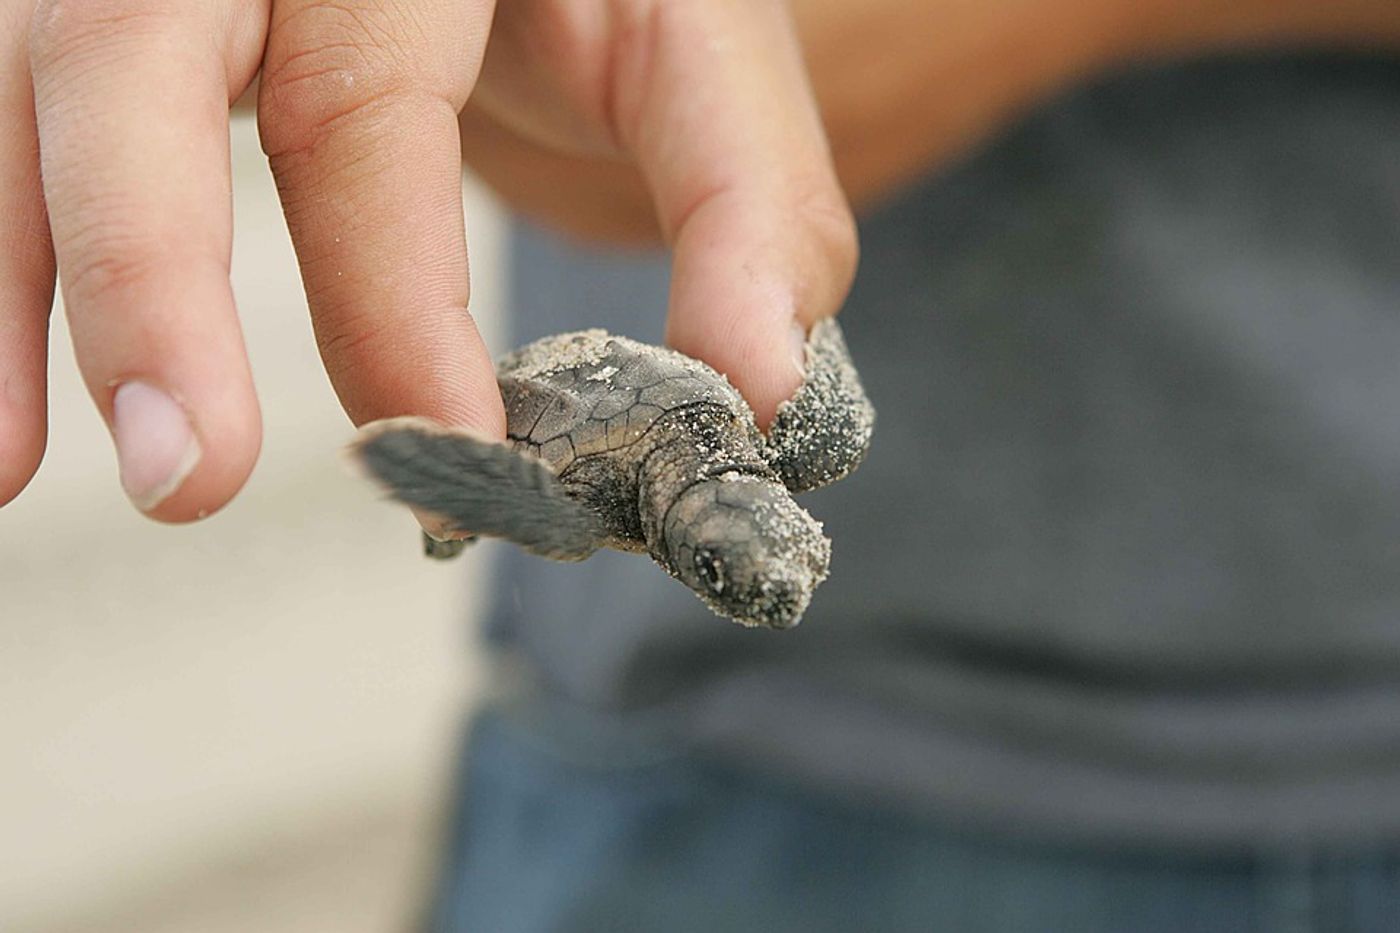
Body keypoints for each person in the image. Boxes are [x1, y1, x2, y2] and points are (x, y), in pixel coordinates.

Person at [4, 2, 1399, 930]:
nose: (766, 572)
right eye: (753, 560)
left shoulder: (717, 474)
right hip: (763, 762)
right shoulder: (720, 455)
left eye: (752, 566)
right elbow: (607, 178)